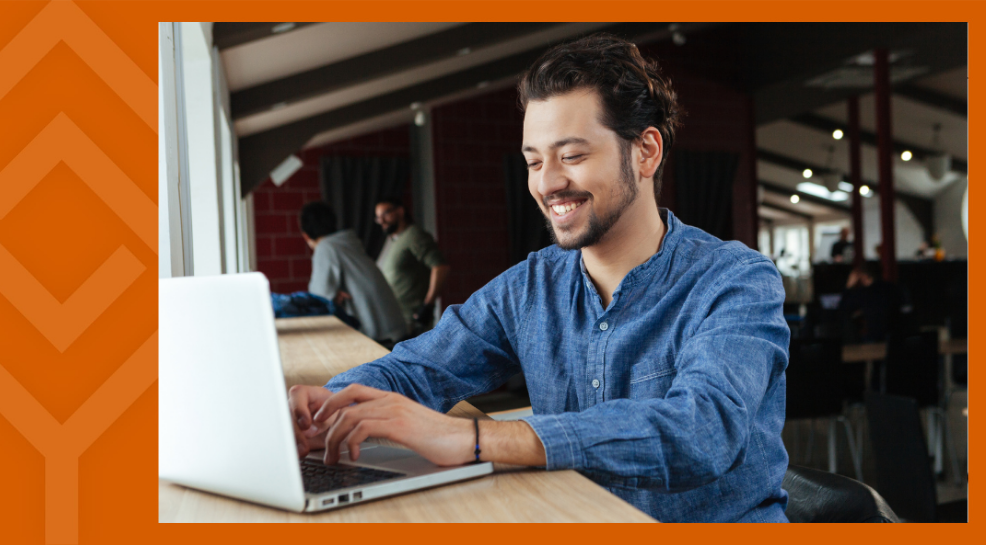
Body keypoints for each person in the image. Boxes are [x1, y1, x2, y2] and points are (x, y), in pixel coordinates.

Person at [289, 35, 790, 523]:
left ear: (646, 152)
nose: (547, 182)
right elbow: (418, 369)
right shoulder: (530, 287)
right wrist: (329, 409)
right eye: (533, 161)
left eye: (571, 156)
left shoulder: (735, 281)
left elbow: (701, 433)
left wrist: (476, 440)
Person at [299, 201, 408, 345]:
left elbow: (318, 300)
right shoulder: (348, 243)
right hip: (395, 330)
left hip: (381, 340)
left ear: (306, 236)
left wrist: (330, 296)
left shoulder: (326, 247)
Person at [374, 197, 450, 332]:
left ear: (400, 211)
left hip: (413, 320)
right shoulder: (393, 240)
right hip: (395, 317)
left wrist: (428, 305)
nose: (381, 221)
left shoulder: (415, 235)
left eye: (385, 214)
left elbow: (440, 267)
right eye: (378, 217)